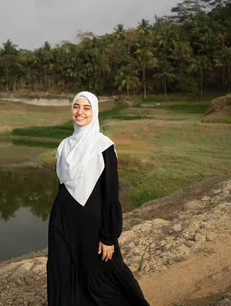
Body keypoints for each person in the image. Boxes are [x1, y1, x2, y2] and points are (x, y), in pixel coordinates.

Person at [47, 91, 150, 306]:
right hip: (63, 222)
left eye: (86, 108)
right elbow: (63, 185)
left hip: (93, 225)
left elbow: (111, 193)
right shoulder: (64, 145)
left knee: (102, 272)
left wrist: (109, 236)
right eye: (76, 106)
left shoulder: (104, 147)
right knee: (63, 268)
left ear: (95, 112)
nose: (80, 112)